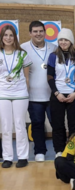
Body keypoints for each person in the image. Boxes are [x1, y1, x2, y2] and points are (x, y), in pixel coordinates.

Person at [21, 21, 57, 162]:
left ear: (45, 32)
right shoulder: (23, 48)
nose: (38, 34)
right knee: (37, 123)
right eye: (35, 31)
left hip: (52, 95)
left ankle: (59, 150)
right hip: (33, 96)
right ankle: (39, 151)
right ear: (30, 33)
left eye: (41, 31)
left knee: (57, 124)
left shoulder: (53, 47)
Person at [0, 25, 32, 168]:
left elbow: (27, 77)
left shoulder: (22, 54)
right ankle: (7, 157)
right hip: (2, 94)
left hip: (20, 93)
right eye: (5, 35)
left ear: (15, 37)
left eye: (11, 35)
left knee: (19, 125)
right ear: (2, 37)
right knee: (6, 127)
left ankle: (23, 157)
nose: (8, 38)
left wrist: (26, 88)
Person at [47, 28, 75, 158]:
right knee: (58, 125)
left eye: (66, 39)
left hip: (73, 95)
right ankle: (59, 150)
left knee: (74, 125)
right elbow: (50, 77)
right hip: (58, 95)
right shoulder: (53, 56)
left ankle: (72, 150)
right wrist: (57, 93)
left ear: (71, 41)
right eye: (60, 39)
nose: (63, 42)